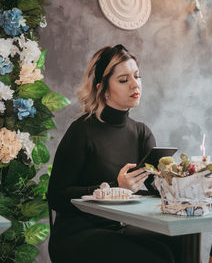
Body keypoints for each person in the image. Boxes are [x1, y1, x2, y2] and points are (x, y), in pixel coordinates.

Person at [47, 44, 178, 263]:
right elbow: (56, 196)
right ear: (103, 89)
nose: (135, 84)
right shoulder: (82, 130)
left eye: (137, 76)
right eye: (124, 80)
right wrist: (114, 188)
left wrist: (188, 181)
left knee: (173, 246)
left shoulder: (141, 133)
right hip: (76, 234)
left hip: (120, 229)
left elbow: (158, 189)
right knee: (155, 259)